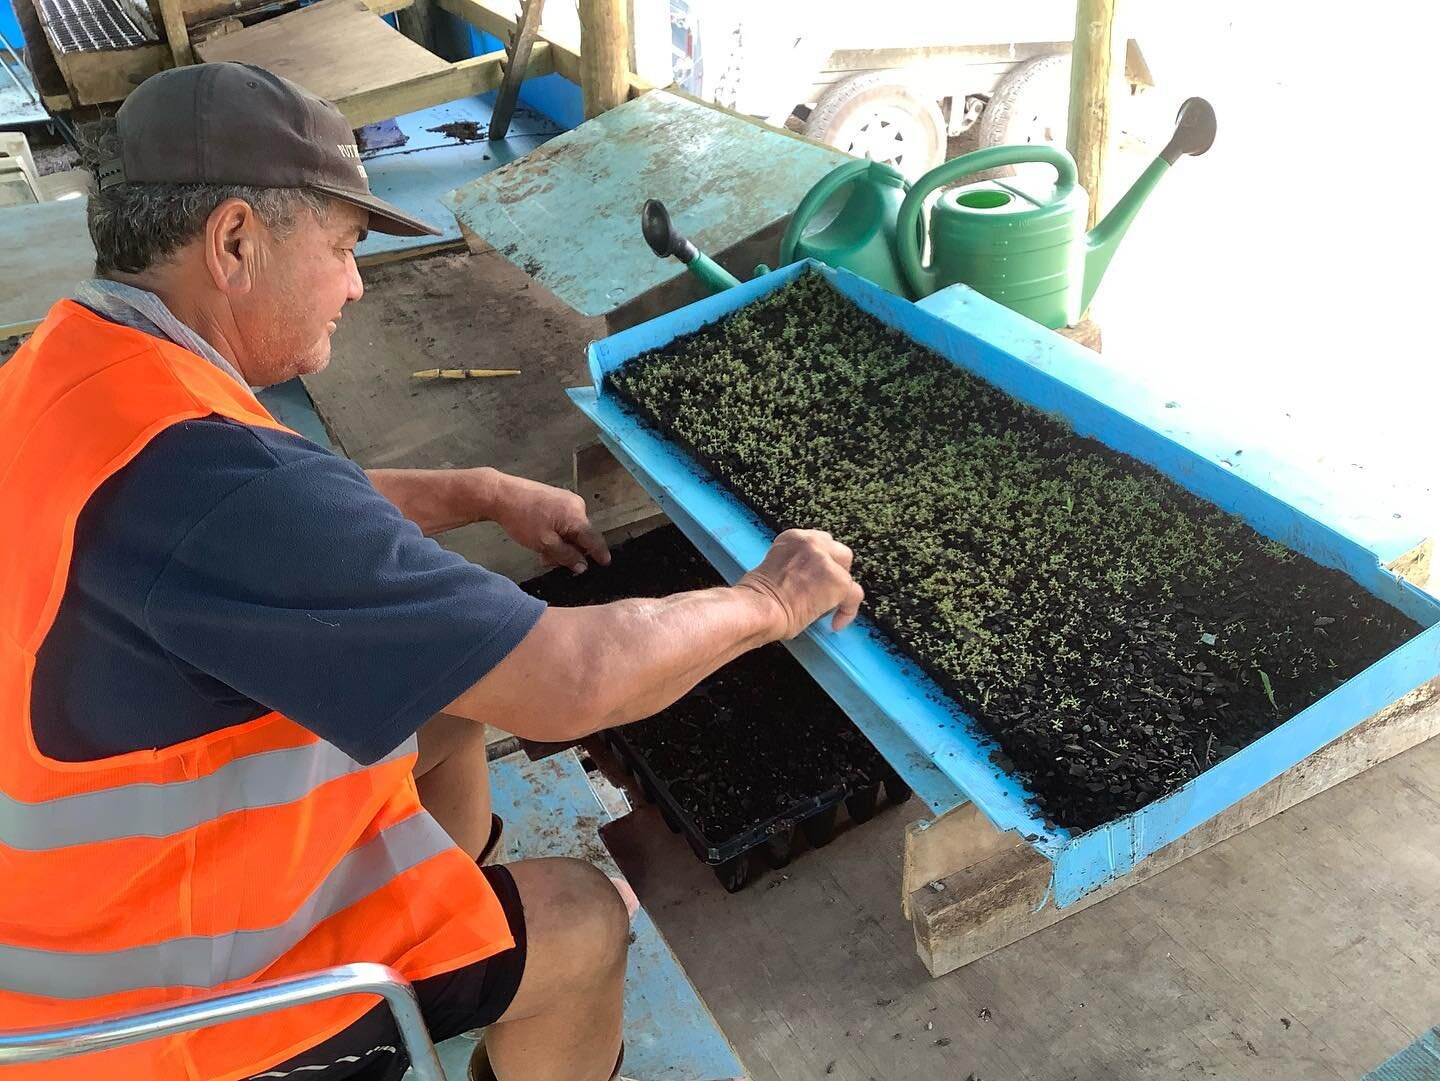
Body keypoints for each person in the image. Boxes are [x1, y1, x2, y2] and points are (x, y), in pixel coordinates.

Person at [0, 62, 863, 1081]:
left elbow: (277, 530)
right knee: (584, 921)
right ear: (235, 241)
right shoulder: (217, 481)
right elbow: (568, 682)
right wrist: (769, 598)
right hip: (165, 1004)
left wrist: (478, 488)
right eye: (342, 249)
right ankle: (479, 978)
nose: (358, 284)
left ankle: (455, 931)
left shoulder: (76, 367)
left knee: (447, 706)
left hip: (82, 900)